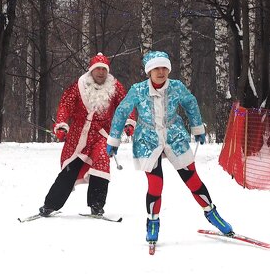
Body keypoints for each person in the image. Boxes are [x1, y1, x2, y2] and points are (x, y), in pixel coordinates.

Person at [107, 50, 233, 245]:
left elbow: (190, 103)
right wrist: (113, 139)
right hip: (147, 139)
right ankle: (153, 221)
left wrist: (197, 127)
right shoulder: (138, 90)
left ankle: (212, 213)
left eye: (164, 67)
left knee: (192, 179)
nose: (161, 71)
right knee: (156, 184)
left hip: (174, 136)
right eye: (156, 68)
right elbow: (122, 111)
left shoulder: (176, 87)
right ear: (149, 71)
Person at [37, 53, 134, 217]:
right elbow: (65, 106)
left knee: (102, 162)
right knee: (70, 169)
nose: (101, 73)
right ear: (91, 71)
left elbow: (126, 106)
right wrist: (61, 125)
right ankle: (50, 205)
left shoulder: (115, 87)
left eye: (104, 69)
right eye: (98, 69)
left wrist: (129, 122)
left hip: (102, 135)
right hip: (78, 137)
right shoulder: (79, 86)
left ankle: (97, 205)